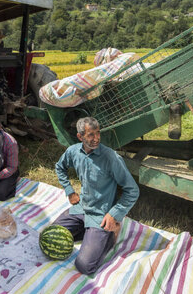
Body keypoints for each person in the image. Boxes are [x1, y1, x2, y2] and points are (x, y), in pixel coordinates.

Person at [52, 117, 139, 276]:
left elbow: (132, 190)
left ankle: (111, 235)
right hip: (82, 207)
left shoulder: (110, 157)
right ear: (80, 137)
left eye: (98, 133)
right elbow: (60, 167)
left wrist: (114, 214)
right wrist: (69, 191)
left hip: (101, 214)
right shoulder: (73, 151)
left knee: (84, 265)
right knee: (52, 236)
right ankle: (89, 233)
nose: (97, 138)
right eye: (91, 135)